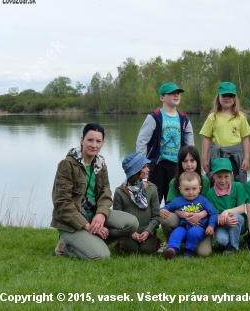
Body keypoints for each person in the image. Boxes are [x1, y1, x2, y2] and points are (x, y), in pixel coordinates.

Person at [51, 122, 138, 260]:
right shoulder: (67, 164)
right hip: (71, 223)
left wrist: (101, 214)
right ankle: (67, 246)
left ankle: (91, 242)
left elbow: (105, 193)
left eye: (98, 141)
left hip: (94, 216)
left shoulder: (100, 164)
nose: (94, 145)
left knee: (132, 223)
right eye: (90, 140)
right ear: (82, 140)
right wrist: (86, 225)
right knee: (102, 256)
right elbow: (61, 202)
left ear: (103, 143)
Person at [136, 82, 194, 204]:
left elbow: (190, 145)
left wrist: (191, 162)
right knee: (154, 199)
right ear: (162, 98)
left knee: (174, 201)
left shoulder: (184, 118)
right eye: (172, 93)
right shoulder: (155, 117)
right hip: (157, 165)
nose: (176, 95)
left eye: (178, 93)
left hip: (177, 166)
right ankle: (153, 222)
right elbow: (142, 141)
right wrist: (142, 164)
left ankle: (171, 223)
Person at [158, 145, 212, 256]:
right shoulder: (174, 182)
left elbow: (210, 206)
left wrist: (200, 215)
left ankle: (192, 243)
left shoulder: (205, 181)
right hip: (181, 220)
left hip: (200, 222)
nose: (189, 164)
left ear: (197, 161)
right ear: (180, 163)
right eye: (185, 161)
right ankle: (171, 243)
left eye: (192, 160)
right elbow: (170, 205)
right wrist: (185, 215)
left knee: (203, 253)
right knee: (165, 217)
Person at [200, 82, 250, 185]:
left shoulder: (240, 117)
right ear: (218, 97)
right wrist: (205, 159)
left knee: (236, 184)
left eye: (231, 95)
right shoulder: (212, 117)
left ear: (235, 98)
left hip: (234, 158)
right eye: (224, 95)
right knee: (215, 184)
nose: (227, 98)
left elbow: (245, 139)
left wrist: (246, 158)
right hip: (217, 158)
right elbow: (207, 139)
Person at [161, 172, 218, 259]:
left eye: (194, 189)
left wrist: (211, 226)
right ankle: (172, 249)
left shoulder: (203, 201)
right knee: (177, 232)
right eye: (186, 189)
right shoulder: (177, 201)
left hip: (199, 228)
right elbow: (167, 207)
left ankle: (188, 251)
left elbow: (213, 213)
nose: (190, 192)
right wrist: (162, 210)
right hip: (183, 226)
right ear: (180, 190)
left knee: (193, 233)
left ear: (199, 189)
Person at [113, 152, 160, 255]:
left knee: (146, 251)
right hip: (128, 232)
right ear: (135, 170)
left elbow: (156, 216)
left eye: (148, 166)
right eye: (144, 167)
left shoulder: (152, 189)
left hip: (147, 232)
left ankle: (154, 240)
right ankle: (121, 242)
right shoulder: (120, 192)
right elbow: (117, 219)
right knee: (132, 250)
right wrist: (131, 233)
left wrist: (148, 231)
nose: (148, 169)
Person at [206, 158, 248, 254]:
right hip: (221, 224)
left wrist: (226, 212)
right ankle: (226, 244)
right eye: (219, 177)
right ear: (213, 176)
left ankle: (233, 247)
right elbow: (213, 215)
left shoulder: (238, 186)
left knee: (234, 217)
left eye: (226, 176)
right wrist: (224, 219)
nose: (223, 180)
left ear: (231, 175)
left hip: (239, 222)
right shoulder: (210, 193)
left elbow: (242, 208)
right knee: (222, 240)